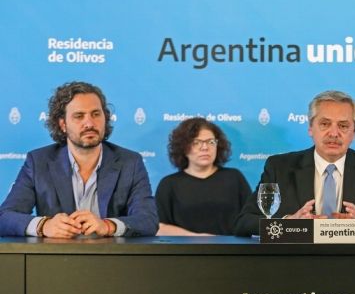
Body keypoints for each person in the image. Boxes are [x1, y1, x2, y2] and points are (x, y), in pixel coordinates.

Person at [233, 90, 355, 237]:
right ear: (310, 128)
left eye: (343, 126)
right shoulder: (280, 167)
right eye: (325, 124)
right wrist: (288, 222)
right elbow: (244, 222)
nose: (333, 133)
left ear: (354, 133)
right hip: (295, 265)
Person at [0, 81, 158, 237]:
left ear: (105, 118)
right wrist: (44, 226)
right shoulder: (38, 162)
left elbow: (148, 220)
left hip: (112, 258)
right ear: (63, 124)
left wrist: (109, 226)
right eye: (79, 116)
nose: (89, 123)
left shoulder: (130, 162)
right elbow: (5, 217)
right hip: (56, 258)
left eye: (96, 114)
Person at [156, 117, 251, 235]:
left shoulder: (234, 178)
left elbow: (250, 219)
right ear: (183, 148)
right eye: (196, 142)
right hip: (185, 251)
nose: (205, 148)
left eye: (211, 142)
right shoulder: (169, 184)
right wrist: (196, 238)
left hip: (232, 251)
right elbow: (160, 227)